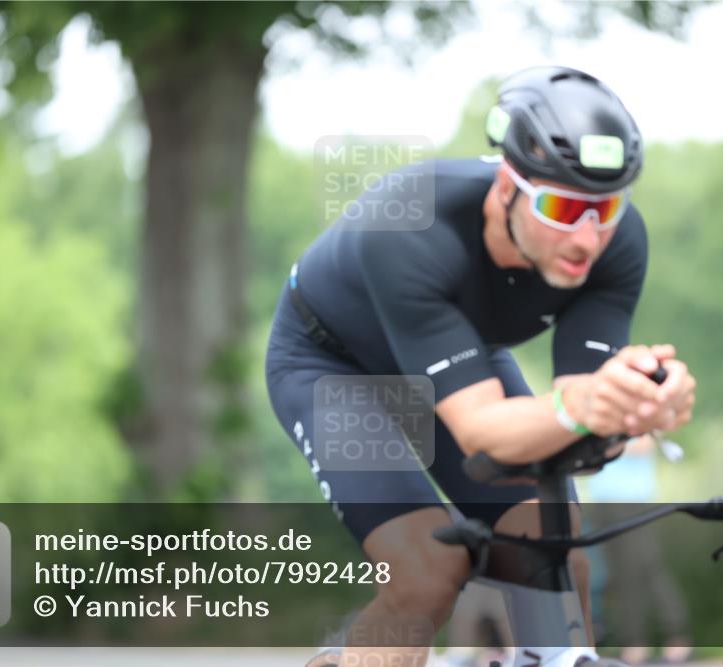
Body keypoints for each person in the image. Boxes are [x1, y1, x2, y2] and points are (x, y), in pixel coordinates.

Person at [264, 65, 697, 666]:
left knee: (553, 550)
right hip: (335, 364)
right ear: (506, 189)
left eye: (606, 207)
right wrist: (586, 405)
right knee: (428, 572)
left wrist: (637, 404)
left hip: (456, 351)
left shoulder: (617, 243)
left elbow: (576, 410)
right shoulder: (410, 227)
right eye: (563, 208)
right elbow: (482, 431)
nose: (588, 237)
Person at [587, 437, 692, 665]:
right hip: (604, 500)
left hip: (632, 500)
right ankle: (634, 643)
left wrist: (601, 444)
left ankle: (677, 637)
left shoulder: (639, 404)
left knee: (649, 568)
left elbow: (646, 444)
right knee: (620, 577)